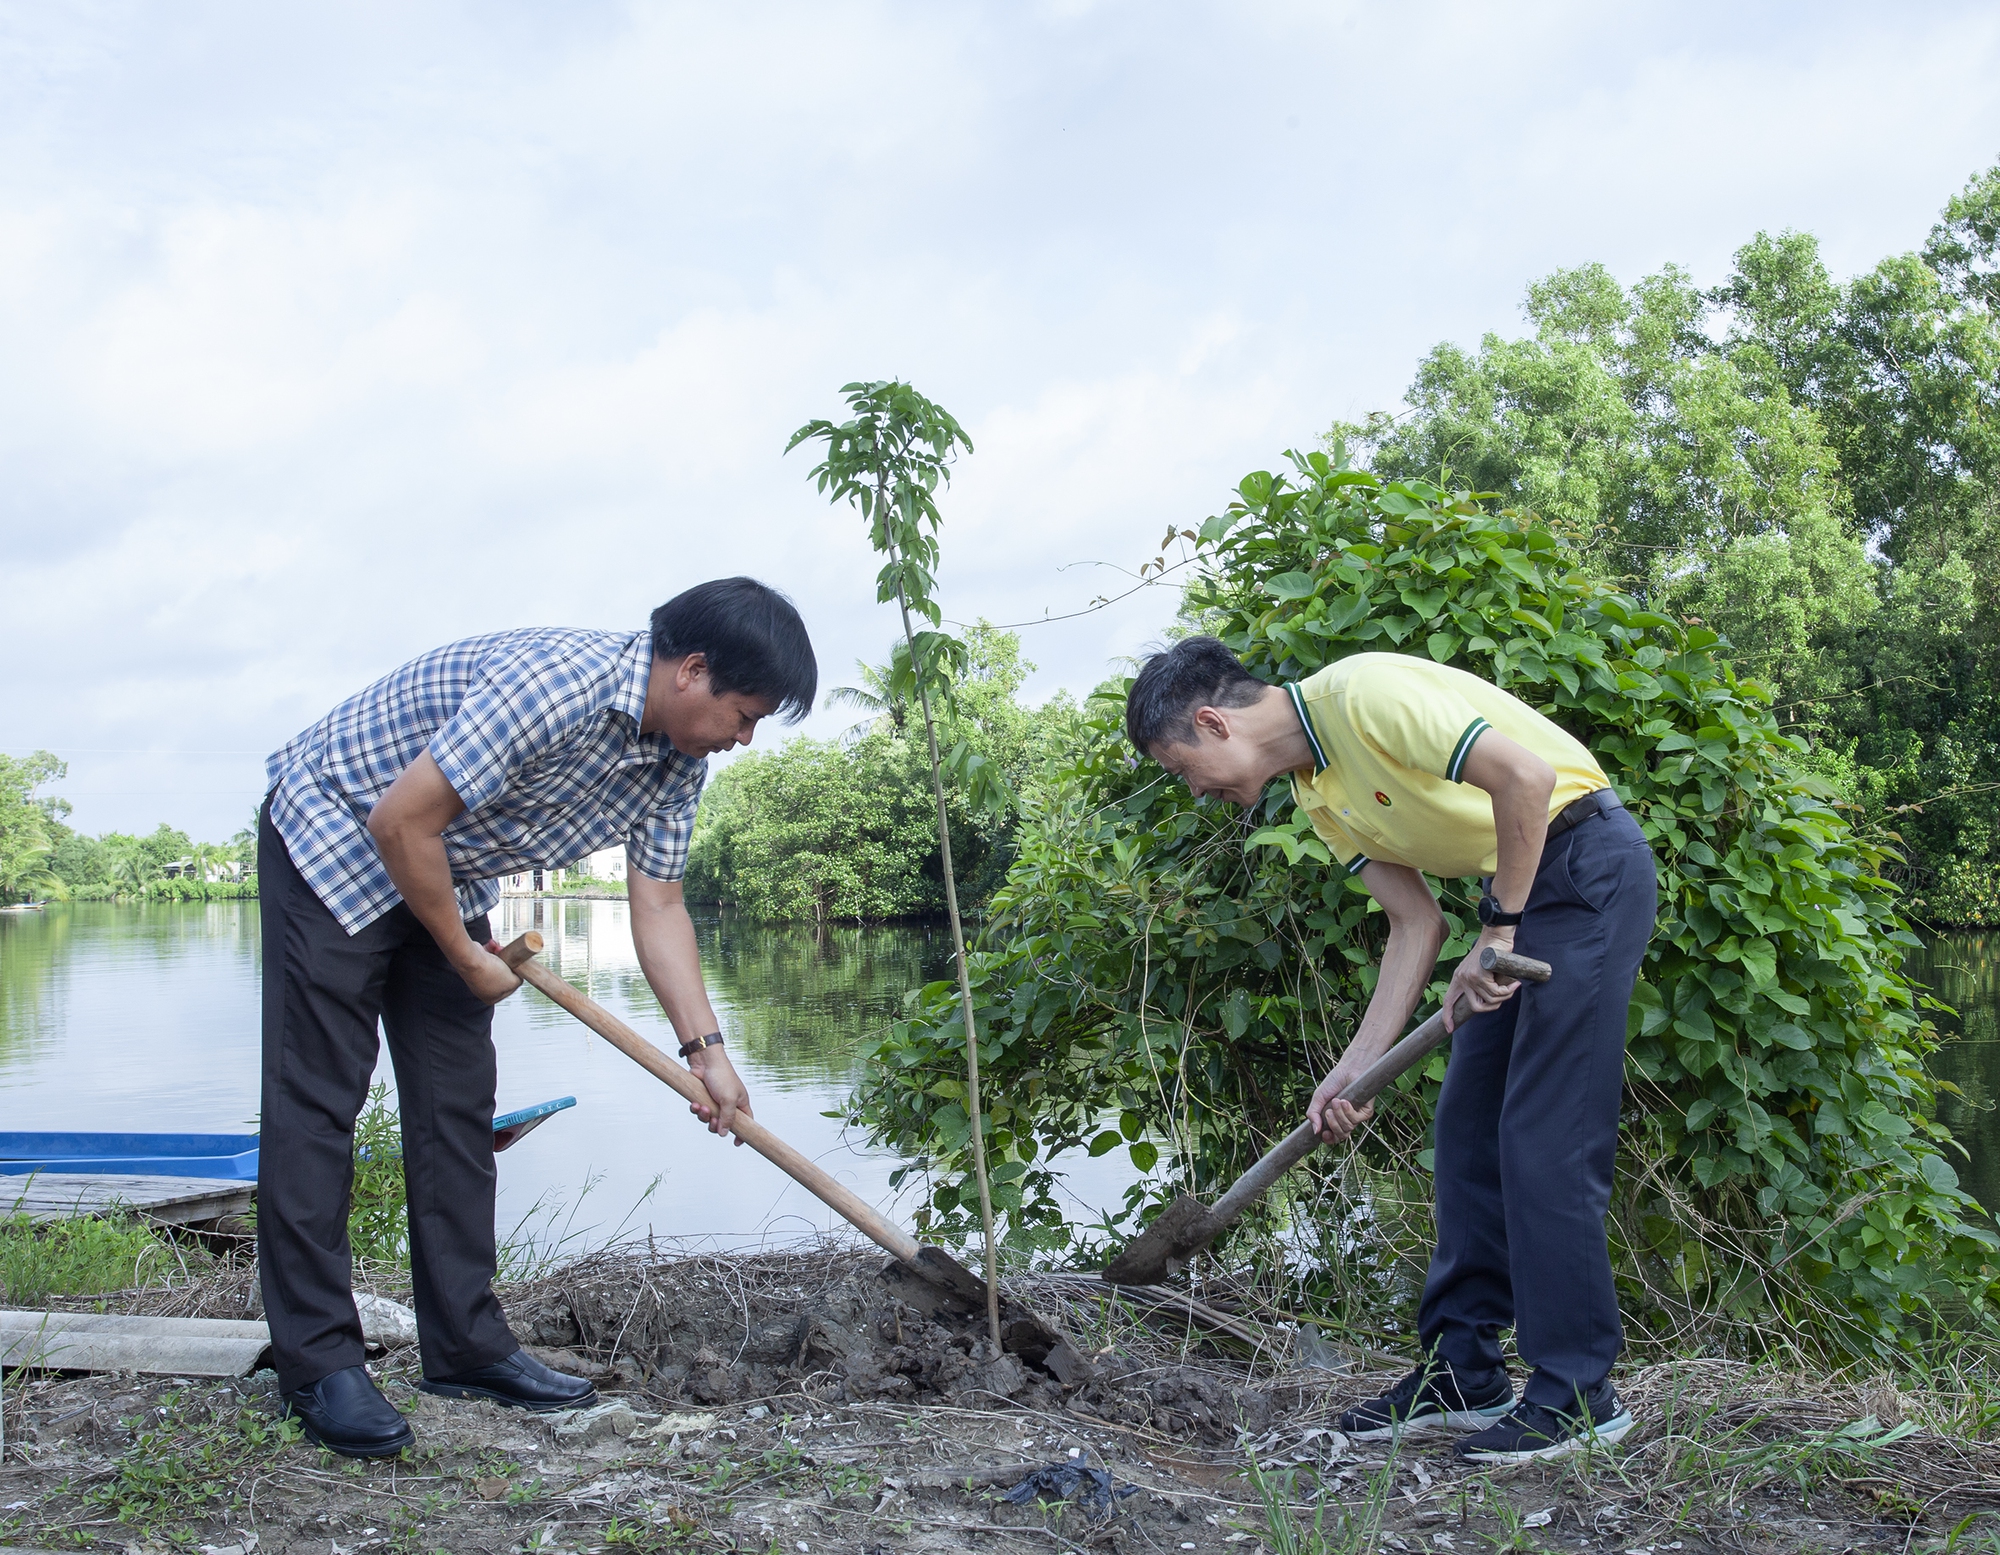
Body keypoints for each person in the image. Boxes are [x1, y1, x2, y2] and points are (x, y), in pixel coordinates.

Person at [258, 577, 816, 1458]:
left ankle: (466, 1345)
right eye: (745, 714)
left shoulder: (679, 762)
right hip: (340, 833)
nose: (744, 739)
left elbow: (660, 905)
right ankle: (319, 1363)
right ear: (693, 672)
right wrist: (467, 953)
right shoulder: (551, 685)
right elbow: (400, 820)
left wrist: (707, 1050)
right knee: (318, 1103)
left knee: (455, 1105)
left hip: (447, 863)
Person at [1124, 637, 1655, 1463]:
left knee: (1544, 1138)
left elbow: (1529, 780)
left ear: (1212, 722)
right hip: (1516, 893)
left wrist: (1501, 928)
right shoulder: (1316, 794)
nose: (1194, 788)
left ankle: (1580, 1394)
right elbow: (1416, 924)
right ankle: (1463, 1372)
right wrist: (1354, 1069)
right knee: (1469, 1131)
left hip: (1586, 871)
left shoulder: (1363, 694)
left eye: (1180, 767)